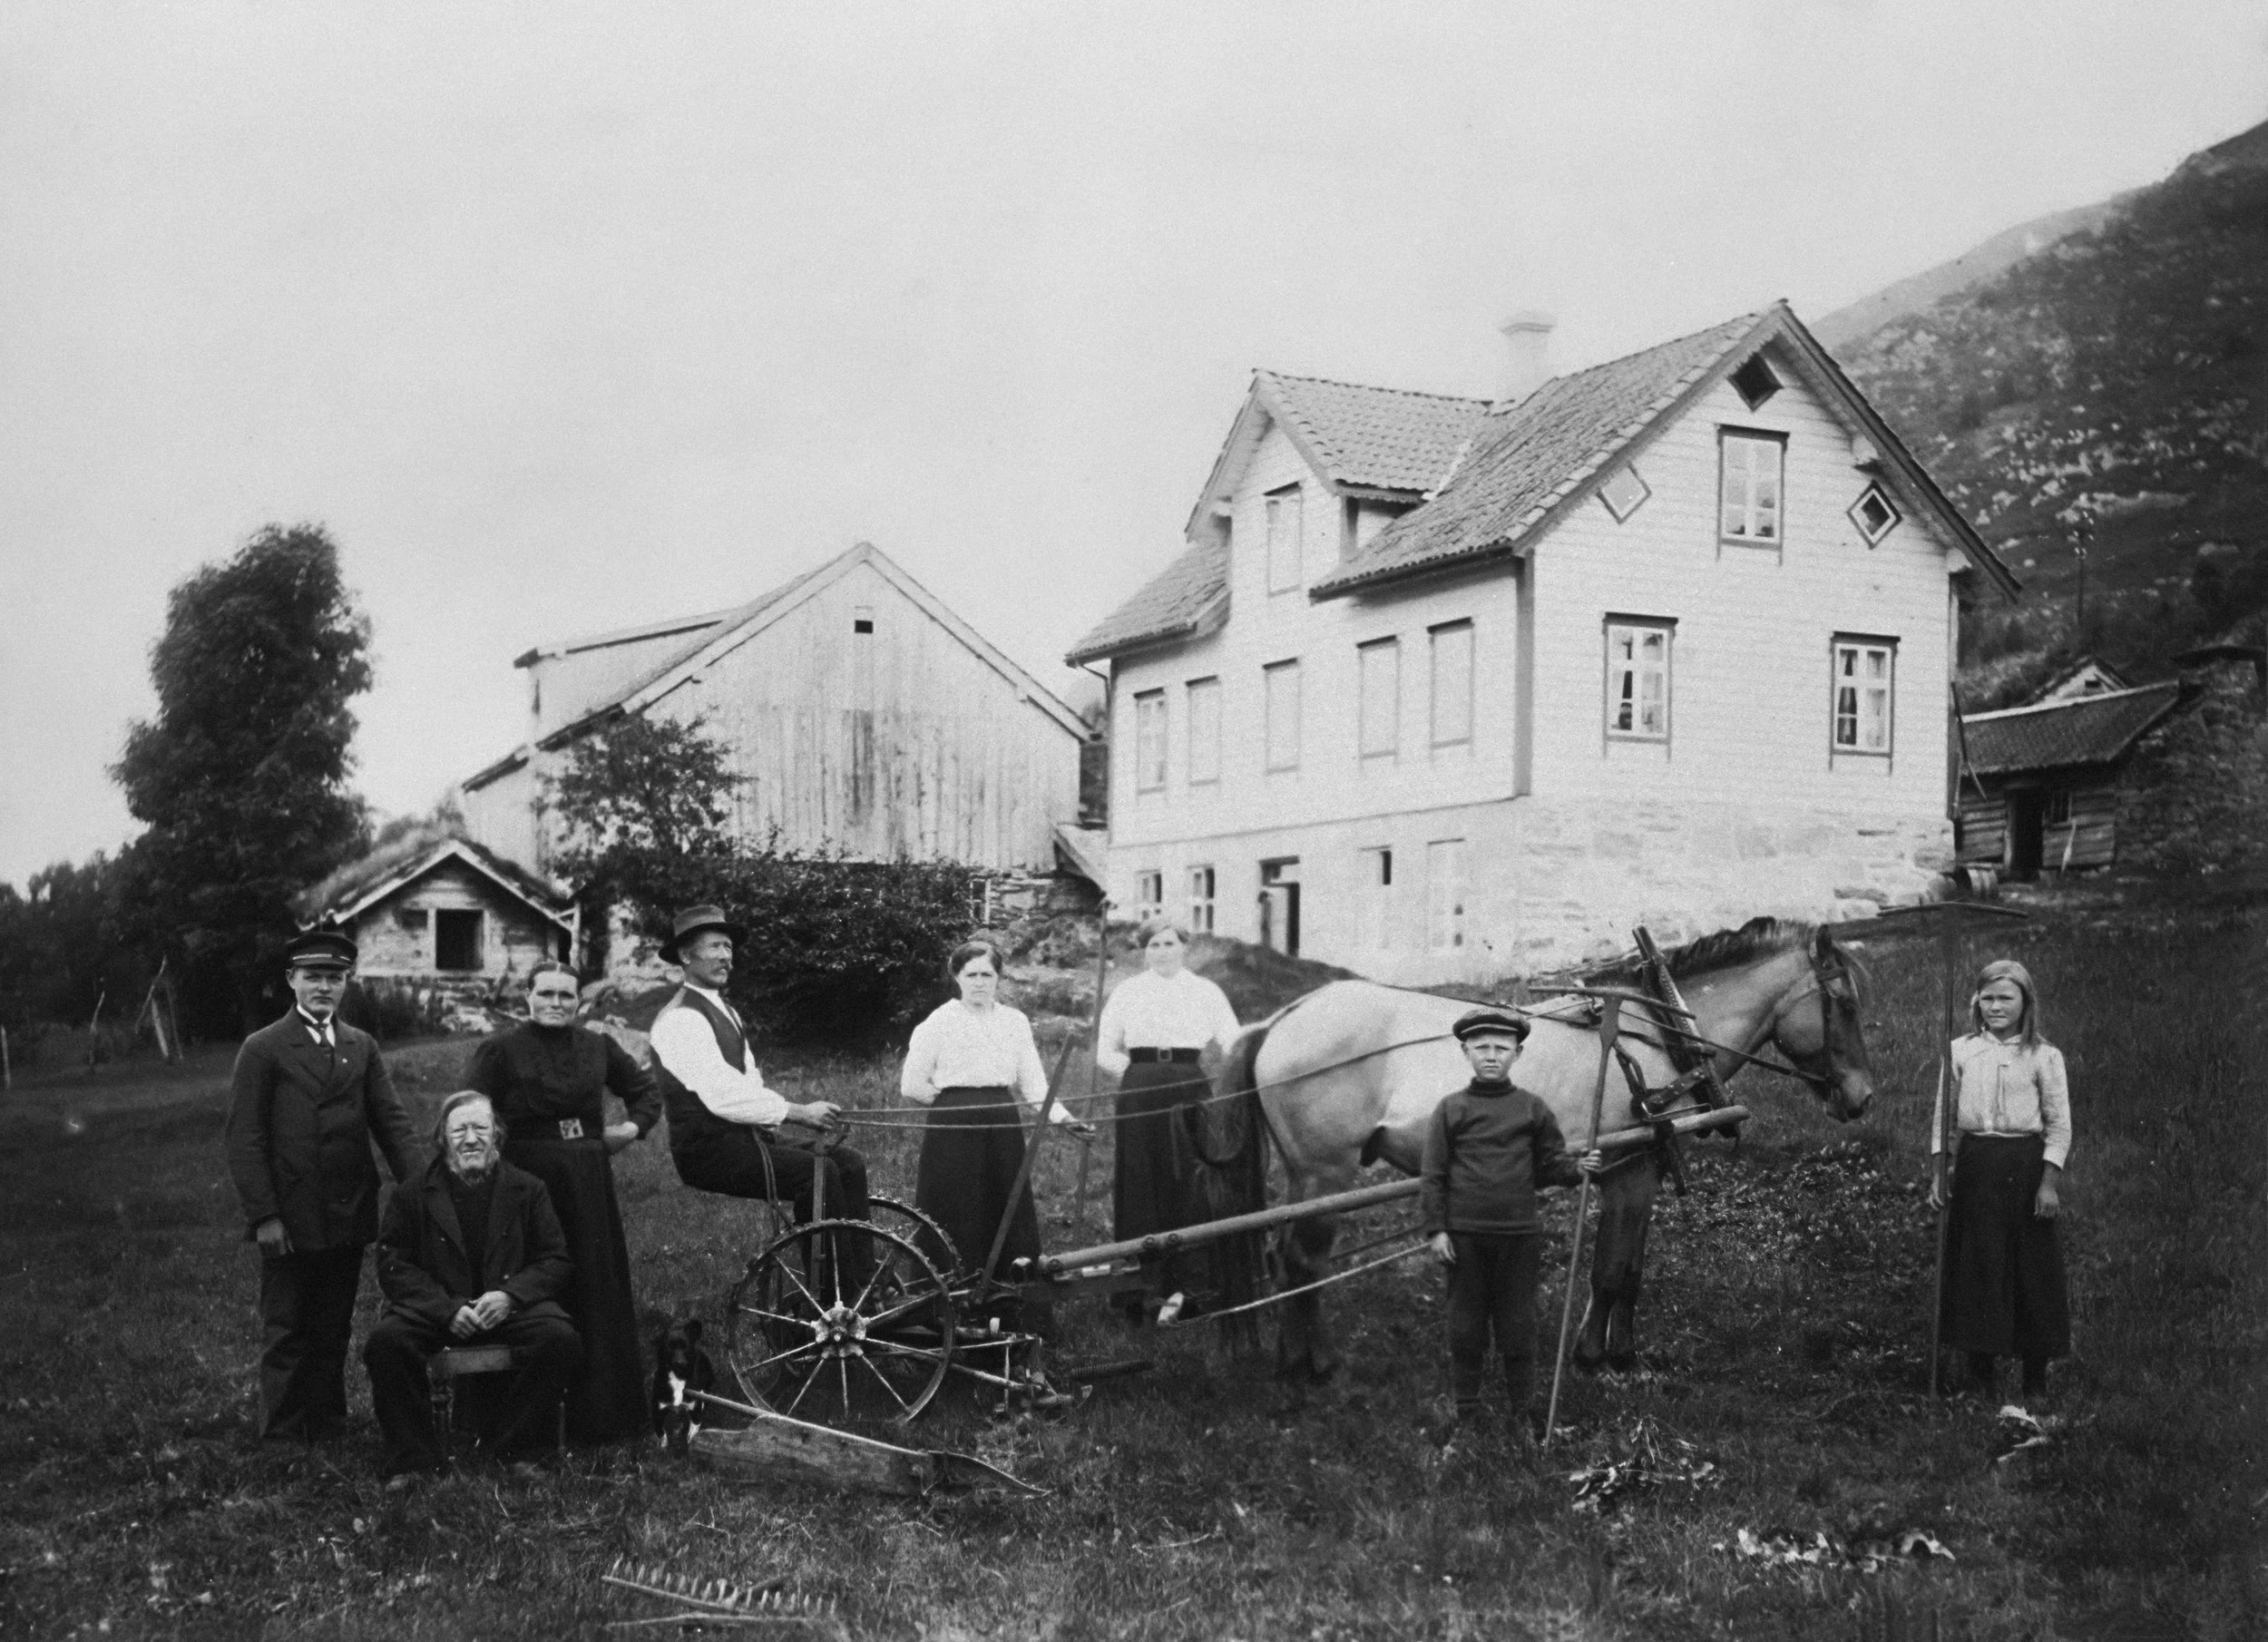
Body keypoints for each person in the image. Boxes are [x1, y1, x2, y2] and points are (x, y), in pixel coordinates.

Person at [224, 928, 422, 1445]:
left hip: (349, 1209)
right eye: (313, 977)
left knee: (333, 1324)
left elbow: (392, 1123)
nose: (323, 988)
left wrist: (424, 1188)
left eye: (334, 978)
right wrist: (265, 1215)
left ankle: (327, 1421)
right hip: (289, 1216)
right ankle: (283, 1433)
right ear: (291, 980)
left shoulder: (361, 1046)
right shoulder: (264, 1049)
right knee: (287, 1325)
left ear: (346, 984)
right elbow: (245, 1138)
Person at [467, 961, 660, 1443]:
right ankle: (518, 1416)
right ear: (526, 997)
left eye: (567, 996)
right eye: (547, 994)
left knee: (593, 1279)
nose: (557, 1004)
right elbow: (470, 1112)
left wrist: (629, 1129)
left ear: (581, 1002)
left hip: (587, 1175)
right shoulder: (500, 1050)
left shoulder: (598, 1046)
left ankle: (600, 1416)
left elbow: (644, 1091)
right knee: (534, 1278)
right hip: (524, 1176)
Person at [364, 1091, 582, 1483]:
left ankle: (523, 1453)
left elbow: (555, 1259)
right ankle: (414, 1462)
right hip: (439, 1311)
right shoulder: (412, 1194)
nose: (470, 1139)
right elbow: (393, 1265)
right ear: (443, 1140)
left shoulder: (528, 1189)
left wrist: (511, 1296)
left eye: (480, 1128)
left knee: (559, 1337)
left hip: (508, 1310)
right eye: (459, 1130)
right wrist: (446, 1309)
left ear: (496, 1136)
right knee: (387, 1342)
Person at [1420, 1006, 1600, 1439]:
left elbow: (1551, 1164)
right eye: (1481, 1048)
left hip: (1519, 1236)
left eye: (1502, 1048)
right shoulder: (1450, 1110)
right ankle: (1468, 1412)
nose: (1491, 1056)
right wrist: (1437, 1229)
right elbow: (1434, 1174)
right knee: (1466, 1324)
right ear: (1465, 1052)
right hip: (1464, 1237)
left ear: (1517, 1054)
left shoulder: (1531, 1109)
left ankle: (1524, 1412)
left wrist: (1578, 1168)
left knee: (1517, 1323)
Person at [900, 939, 1090, 1314]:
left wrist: (1065, 1119)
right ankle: (946, 1309)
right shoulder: (939, 1022)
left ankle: (1011, 1309)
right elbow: (912, 1085)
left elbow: (1034, 1085)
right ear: (957, 977)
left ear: (999, 978)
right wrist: (953, 1105)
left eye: (987, 974)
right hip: (953, 1128)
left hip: (1003, 1122)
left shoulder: (1014, 1022)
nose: (980, 983)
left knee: (1006, 1210)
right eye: (971, 975)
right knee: (956, 1212)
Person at [650, 905, 870, 1227]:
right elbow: (722, 1095)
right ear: (685, 956)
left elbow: (748, 1081)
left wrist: (767, 1116)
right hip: (708, 1152)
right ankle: (828, 1276)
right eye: (715, 946)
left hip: (745, 1139)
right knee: (816, 1174)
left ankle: (860, 1276)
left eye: (729, 947)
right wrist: (799, 1112)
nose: (726, 956)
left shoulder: (726, 1012)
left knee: (848, 1163)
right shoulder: (680, 1019)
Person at [1930, 958, 2071, 1404]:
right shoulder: (1960, 1051)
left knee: (2031, 1269)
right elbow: (1943, 1120)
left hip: (2025, 1166)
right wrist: (1940, 1173)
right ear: (1976, 1001)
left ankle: (2035, 1378)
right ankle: (1981, 1374)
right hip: (1977, 1166)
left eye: (2006, 998)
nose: (1996, 1006)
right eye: (1987, 998)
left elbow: (2059, 1125)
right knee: (1979, 1265)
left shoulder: (2044, 1057)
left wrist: (2048, 1183)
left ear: (2025, 1002)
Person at [1094, 917, 1241, 1315]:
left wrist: (1238, 1076)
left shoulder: (1206, 991)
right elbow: (1103, 1049)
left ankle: (1190, 1284)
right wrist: (1133, 1072)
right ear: (1145, 951)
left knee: (1191, 1178)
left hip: (1189, 1084)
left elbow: (1233, 1041)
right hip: (1140, 1087)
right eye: (1154, 945)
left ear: (1184, 947)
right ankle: (1137, 1286)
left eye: (1169, 943)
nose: (1162, 952)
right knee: (1140, 1176)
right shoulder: (1127, 992)